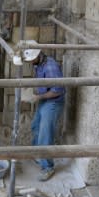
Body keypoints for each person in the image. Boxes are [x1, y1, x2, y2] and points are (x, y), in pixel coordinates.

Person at [23, 48, 65, 182]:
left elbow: (58, 91)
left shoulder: (50, 66)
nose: (30, 63)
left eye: (31, 60)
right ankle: (38, 155)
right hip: (44, 100)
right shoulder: (39, 64)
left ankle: (48, 167)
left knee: (45, 134)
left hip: (53, 102)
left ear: (38, 55)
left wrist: (37, 97)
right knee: (35, 126)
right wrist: (32, 91)